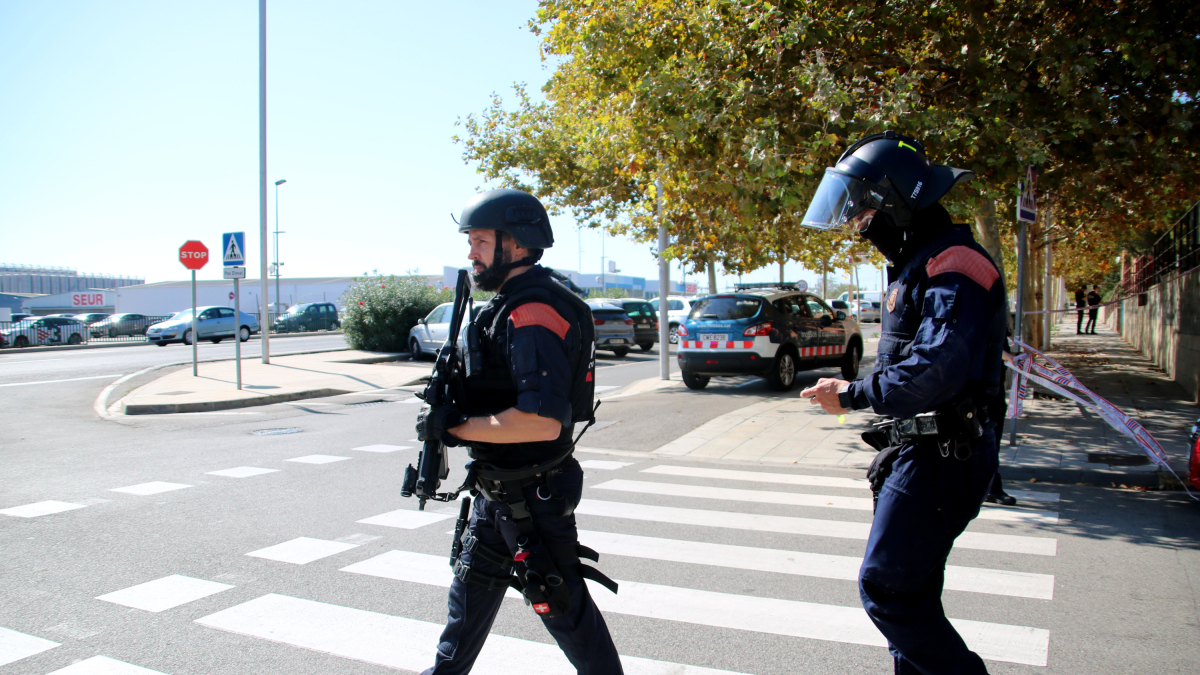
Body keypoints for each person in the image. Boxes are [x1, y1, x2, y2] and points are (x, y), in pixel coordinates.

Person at [798, 131, 1008, 674]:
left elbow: (936, 368)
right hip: (922, 450)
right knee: (911, 597)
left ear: (895, 200)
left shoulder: (955, 263)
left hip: (945, 454)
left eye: (862, 210)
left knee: (888, 588)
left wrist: (851, 394)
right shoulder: (924, 262)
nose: (857, 224)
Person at [415, 188, 622, 675]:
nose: (471, 253)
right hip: (497, 491)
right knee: (460, 628)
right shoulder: (508, 305)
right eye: (471, 241)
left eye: (481, 241)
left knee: (567, 615)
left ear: (518, 243)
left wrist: (456, 428)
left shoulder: (532, 312)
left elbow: (541, 420)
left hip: (530, 500)